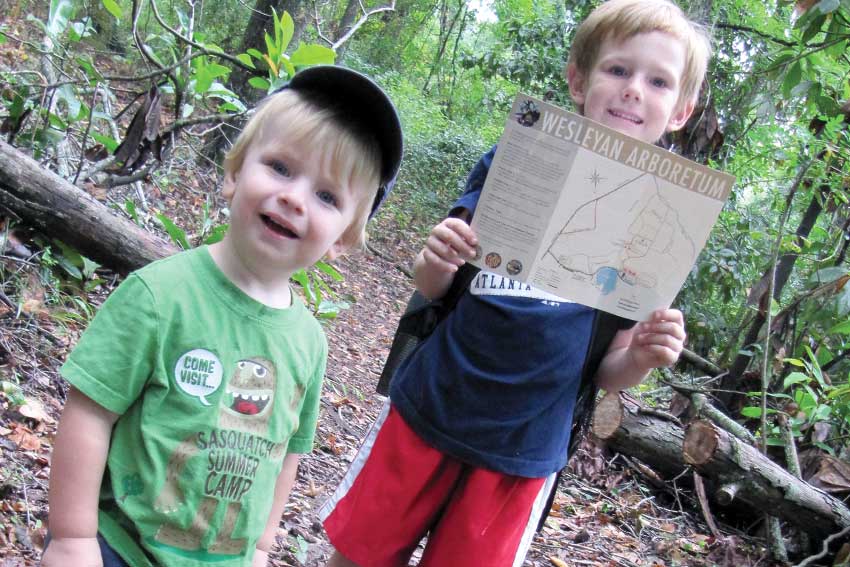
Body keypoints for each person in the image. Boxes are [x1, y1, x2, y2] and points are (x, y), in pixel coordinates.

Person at [320, 1, 710, 566]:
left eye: (658, 81)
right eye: (618, 70)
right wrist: (438, 257)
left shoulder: (668, 223)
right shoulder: (519, 158)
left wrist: (646, 356)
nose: (633, 90)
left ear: (680, 110)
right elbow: (432, 287)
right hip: (433, 401)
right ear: (579, 79)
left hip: (524, 449)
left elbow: (610, 369)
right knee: (359, 554)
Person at [41, 65, 403, 567]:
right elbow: (89, 413)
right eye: (279, 167)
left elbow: (287, 455)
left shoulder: (307, 343)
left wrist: (260, 546)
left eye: (326, 196)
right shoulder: (160, 295)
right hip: (120, 549)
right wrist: (73, 538)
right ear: (235, 173)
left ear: (342, 238)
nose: (294, 198)